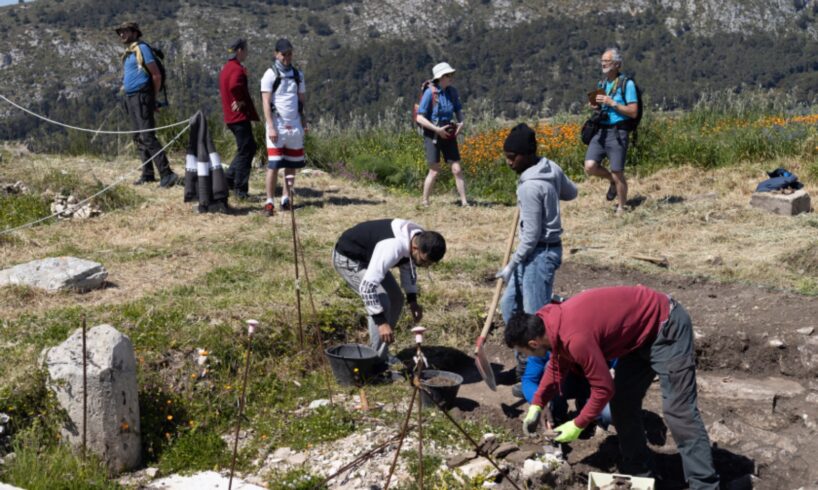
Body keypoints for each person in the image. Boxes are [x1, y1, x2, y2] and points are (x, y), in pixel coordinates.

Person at [505, 285, 720, 490]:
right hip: (637, 337)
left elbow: (603, 388)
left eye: (523, 352)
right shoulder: (547, 323)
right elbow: (556, 366)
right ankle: (640, 474)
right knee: (622, 403)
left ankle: (704, 484)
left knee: (679, 412)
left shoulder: (574, 337)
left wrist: (578, 424)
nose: (526, 357)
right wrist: (537, 403)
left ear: (533, 343)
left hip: (666, 326)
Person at [494, 123, 577, 388]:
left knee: (535, 320)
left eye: (512, 157)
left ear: (527, 154)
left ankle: (540, 377)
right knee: (509, 306)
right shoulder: (549, 167)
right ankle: (523, 363)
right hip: (535, 251)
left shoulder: (530, 187)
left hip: (540, 254)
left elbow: (530, 237)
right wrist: (550, 190)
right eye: (506, 156)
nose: (508, 162)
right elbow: (571, 192)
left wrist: (511, 265)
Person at [332, 219, 446, 362]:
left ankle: (382, 352)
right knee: (382, 301)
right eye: (424, 261)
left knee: (397, 299)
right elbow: (367, 288)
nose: (425, 266)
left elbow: (407, 265)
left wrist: (413, 301)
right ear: (415, 248)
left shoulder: (419, 238)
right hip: (349, 259)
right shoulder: (393, 247)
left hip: (370, 257)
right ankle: (375, 362)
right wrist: (381, 323)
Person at [115, 21, 178, 188]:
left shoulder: (142, 49)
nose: (122, 34)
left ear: (135, 32)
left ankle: (167, 174)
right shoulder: (129, 52)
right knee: (138, 136)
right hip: (131, 98)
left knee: (148, 136)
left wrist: (153, 97)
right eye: (120, 32)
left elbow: (156, 75)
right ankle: (148, 173)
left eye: (125, 31)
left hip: (142, 97)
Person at [584, 47, 638, 215]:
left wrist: (612, 103)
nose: (603, 64)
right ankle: (611, 181)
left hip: (618, 132)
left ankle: (622, 207)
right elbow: (600, 106)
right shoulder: (602, 84)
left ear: (616, 64)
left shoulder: (626, 84)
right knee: (590, 166)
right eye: (602, 61)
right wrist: (595, 105)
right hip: (601, 131)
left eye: (606, 61)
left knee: (617, 171)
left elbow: (633, 111)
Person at [260, 38, 306, 216]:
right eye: (283, 54)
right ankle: (269, 201)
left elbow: (301, 100)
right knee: (274, 164)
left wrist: (304, 121)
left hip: (294, 125)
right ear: (276, 54)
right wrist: (271, 126)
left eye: (289, 54)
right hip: (277, 125)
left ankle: (286, 198)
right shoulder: (269, 75)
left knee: (291, 163)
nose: (287, 57)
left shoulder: (298, 75)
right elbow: (265, 101)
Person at [415, 62, 468, 207]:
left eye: (451, 75)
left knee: (457, 169)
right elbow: (420, 117)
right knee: (434, 170)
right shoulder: (429, 93)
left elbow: (458, 110)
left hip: (448, 133)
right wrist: (437, 130)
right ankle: (425, 201)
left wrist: (461, 122)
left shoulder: (452, 92)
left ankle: (464, 202)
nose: (451, 78)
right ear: (440, 77)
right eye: (448, 75)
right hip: (433, 135)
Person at [219, 38, 260, 200]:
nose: (247, 53)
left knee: (246, 148)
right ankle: (240, 190)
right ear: (239, 51)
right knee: (247, 150)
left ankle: (229, 179)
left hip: (230, 117)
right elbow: (234, 86)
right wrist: (241, 100)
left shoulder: (226, 68)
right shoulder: (237, 69)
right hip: (239, 116)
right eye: (246, 50)